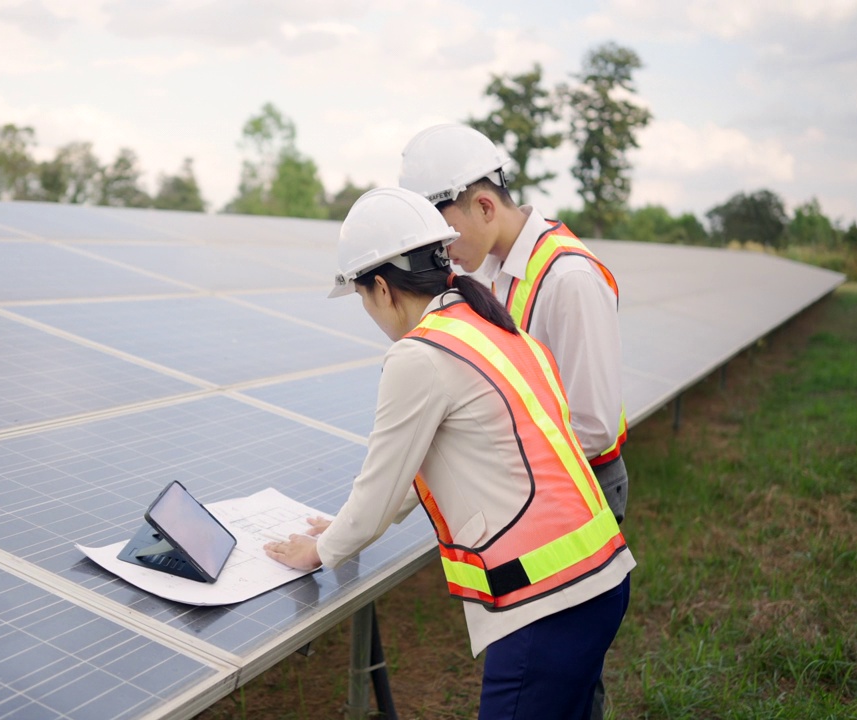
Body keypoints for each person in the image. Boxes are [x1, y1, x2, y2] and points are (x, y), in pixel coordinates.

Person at [264, 187, 635, 719]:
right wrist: (340, 528)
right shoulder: (492, 326)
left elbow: (379, 487)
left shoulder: (421, 355)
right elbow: (415, 475)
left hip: (545, 604)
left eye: (364, 299)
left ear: (384, 289)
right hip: (597, 581)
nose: (371, 313)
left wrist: (319, 552)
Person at [399, 123, 629, 525]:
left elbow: (593, 427)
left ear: (485, 207)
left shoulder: (568, 279)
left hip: (579, 486)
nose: (441, 253)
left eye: (444, 235)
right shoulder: (489, 271)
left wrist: (483, 459)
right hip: (531, 481)